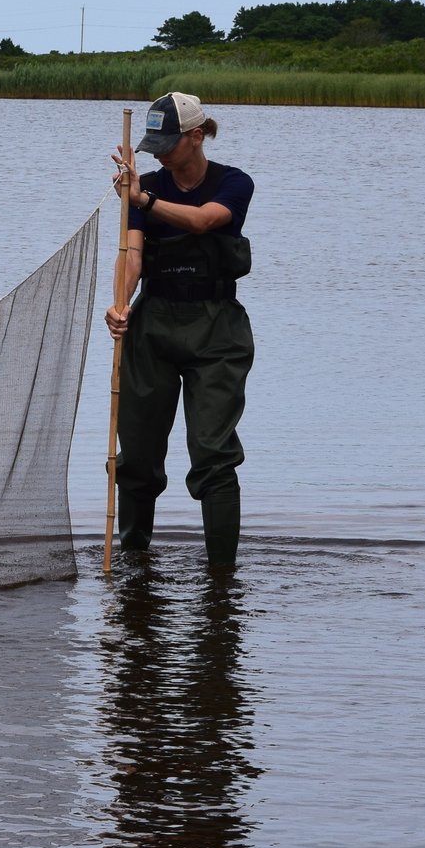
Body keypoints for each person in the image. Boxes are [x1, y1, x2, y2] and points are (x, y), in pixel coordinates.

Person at [108, 92, 255, 568]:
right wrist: (120, 303)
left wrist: (143, 199)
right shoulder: (144, 184)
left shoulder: (233, 183)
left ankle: (222, 577)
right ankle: (132, 563)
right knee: (137, 456)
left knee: (213, 454)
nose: (160, 153)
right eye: (155, 144)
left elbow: (203, 221)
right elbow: (132, 254)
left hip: (216, 329)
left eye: (169, 143)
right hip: (152, 326)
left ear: (197, 136)